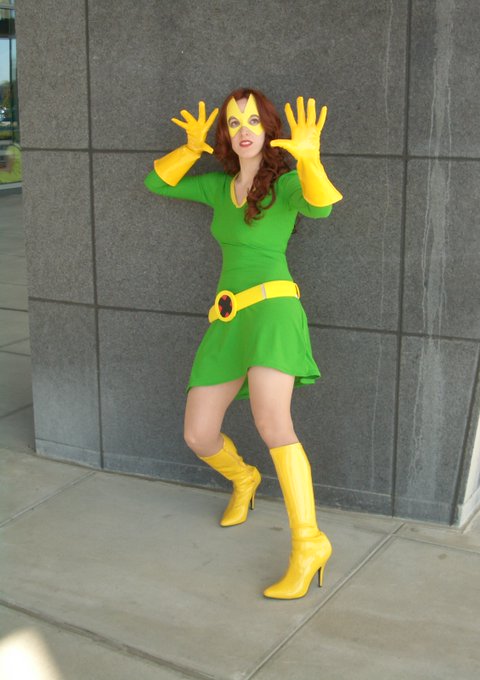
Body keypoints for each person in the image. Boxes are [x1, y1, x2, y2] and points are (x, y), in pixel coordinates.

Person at [144, 88, 342, 599]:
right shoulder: (218, 187)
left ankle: (309, 543)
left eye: (253, 120)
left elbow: (321, 208)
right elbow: (156, 182)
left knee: (273, 422)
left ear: (270, 130)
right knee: (198, 434)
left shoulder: (286, 183)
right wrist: (191, 148)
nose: (243, 129)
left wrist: (311, 159)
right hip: (228, 320)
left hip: (274, 313)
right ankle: (244, 478)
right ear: (226, 135)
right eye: (234, 123)